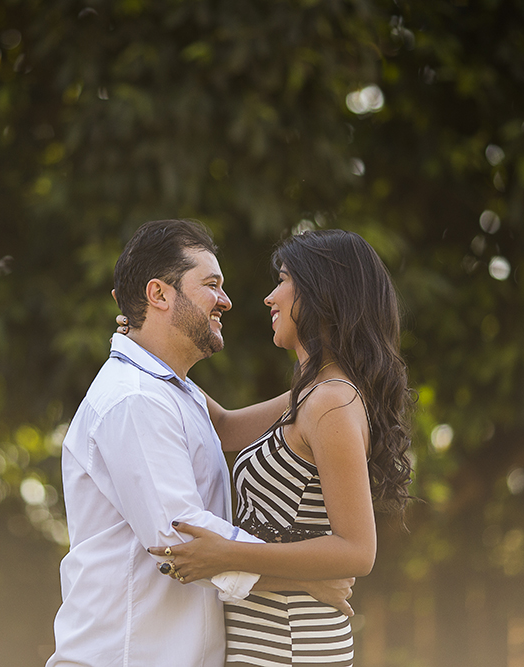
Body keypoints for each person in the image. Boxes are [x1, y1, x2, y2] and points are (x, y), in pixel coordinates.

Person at [46, 219, 354, 667]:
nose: (226, 301)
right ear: (160, 295)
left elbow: (230, 428)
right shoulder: (135, 400)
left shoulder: (173, 390)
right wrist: (302, 575)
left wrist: (332, 383)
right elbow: (183, 541)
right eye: (211, 285)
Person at [144, 229, 414, 666]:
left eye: (283, 281)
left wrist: (226, 555)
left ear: (320, 293)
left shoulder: (331, 401)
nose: (270, 298)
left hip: (293, 640)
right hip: (271, 632)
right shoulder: (311, 393)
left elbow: (357, 550)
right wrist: (150, 342)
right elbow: (227, 428)